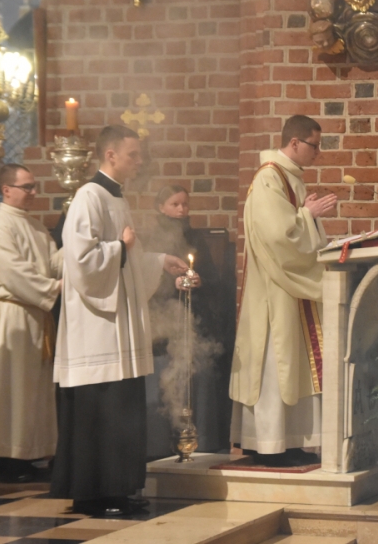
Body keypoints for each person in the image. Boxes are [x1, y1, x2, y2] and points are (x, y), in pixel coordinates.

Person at [51, 125, 188, 517]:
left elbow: (130, 260)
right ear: (110, 155)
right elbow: (80, 261)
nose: (139, 161)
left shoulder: (117, 198)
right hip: (96, 329)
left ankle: (119, 488)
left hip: (117, 328)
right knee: (100, 409)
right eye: (133, 154)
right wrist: (120, 247)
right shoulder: (88, 196)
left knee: (121, 408)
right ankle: (93, 493)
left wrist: (159, 260)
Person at [229, 115, 337, 467]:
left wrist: (308, 216)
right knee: (276, 360)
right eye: (314, 145)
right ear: (294, 143)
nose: (317, 153)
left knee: (293, 361)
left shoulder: (288, 177)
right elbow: (279, 237)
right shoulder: (268, 179)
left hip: (289, 289)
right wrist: (307, 215)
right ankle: (269, 441)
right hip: (273, 292)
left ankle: (290, 440)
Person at [0, 164, 63, 484]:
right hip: (8, 315)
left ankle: (25, 453)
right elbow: (12, 271)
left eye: (34, 186)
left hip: (33, 314)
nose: (34, 192)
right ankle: (0, 460)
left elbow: (53, 262)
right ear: (6, 190)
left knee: (29, 392)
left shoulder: (35, 225)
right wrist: (53, 288)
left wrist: (79, 250)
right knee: (6, 390)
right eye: (27, 187)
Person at [144, 186, 229, 456]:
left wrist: (199, 281)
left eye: (185, 204)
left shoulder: (195, 238)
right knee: (164, 376)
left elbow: (212, 277)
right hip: (163, 323)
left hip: (194, 319)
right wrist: (172, 283)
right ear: (161, 207)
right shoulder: (151, 238)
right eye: (175, 204)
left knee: (199, 371)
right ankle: (160, 445)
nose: (181, 209)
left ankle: (201, 440)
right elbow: (146, 280)